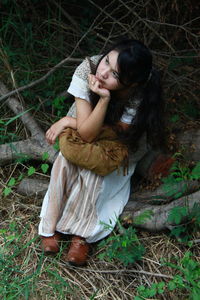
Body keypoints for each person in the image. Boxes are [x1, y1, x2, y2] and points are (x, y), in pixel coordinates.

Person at [38, 39, 165, 266]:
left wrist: (101, 101)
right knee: (66, 162)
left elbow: (118, 132)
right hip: (83, 130)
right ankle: (49, 228)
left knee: (98, 174)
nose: (103, 73)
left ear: (130, 84)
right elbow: (86, 134)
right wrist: (75, 120)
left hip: (119, 142)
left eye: (115, 75)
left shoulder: (140, 92)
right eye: (106, 60)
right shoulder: (88, 68)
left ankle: (82, 236)